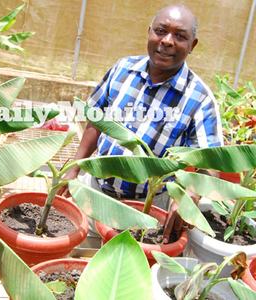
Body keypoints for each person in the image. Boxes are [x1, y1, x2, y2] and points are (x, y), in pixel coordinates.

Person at [58, 4, 224, 242]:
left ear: (192, 45)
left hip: (147, 211)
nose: (167, 41)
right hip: (95, 194)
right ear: (149, 32)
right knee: (86, 259)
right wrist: (75, 165)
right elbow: (96, 119)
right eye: (160, 31)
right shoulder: (122, 69)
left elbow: (210, 163)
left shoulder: (199, 98)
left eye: (179, 36)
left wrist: (188, 198)